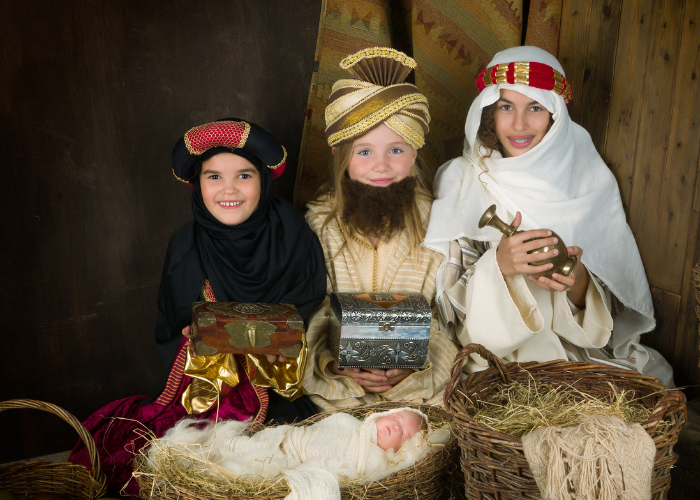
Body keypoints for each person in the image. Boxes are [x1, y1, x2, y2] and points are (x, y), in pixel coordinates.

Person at [69, 119, 327, 494]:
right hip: (213, 389)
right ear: (197, 184)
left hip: (289, 382)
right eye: (213, 177)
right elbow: (176, 329)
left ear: (264, 181)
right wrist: (214, 336)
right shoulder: (186, 245)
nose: (229, 190)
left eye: (244, 175)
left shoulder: (294, 232)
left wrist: (230, 331)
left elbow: (309, 311)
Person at [424, 46, 674, 387]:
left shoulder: (588, 178)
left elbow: (613, 316)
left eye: (535, 108)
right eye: (506, 107)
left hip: (575, 357)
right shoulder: (462, 178)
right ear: (489, 113)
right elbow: (447, 311)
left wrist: (577, 283)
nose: (519, 124)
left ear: (555, 116)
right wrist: (500, 266)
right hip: (495, 361)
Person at [300, 47, 458, 411]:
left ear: (415, 154)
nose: (381, 166)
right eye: (364, 152)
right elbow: (318, 309)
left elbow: (444, 313)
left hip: (419, 385)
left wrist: (413, 365)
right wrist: (337, 362)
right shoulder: (319, 223)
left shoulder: (439, 224)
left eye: (396, 151)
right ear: (342, 156)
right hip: (340, 385)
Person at [152, 408, 432, 498]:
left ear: (402, 449)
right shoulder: (349, 421)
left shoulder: (376, 459)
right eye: (395, 418)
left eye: (403, 433)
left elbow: (356, 473)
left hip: (296, 461)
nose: (395, 426)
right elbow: (324, 426)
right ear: (382, 414)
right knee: (245, 445)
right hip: (289, 440)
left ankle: (221, 466)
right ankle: (213, 454)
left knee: (254, 468)